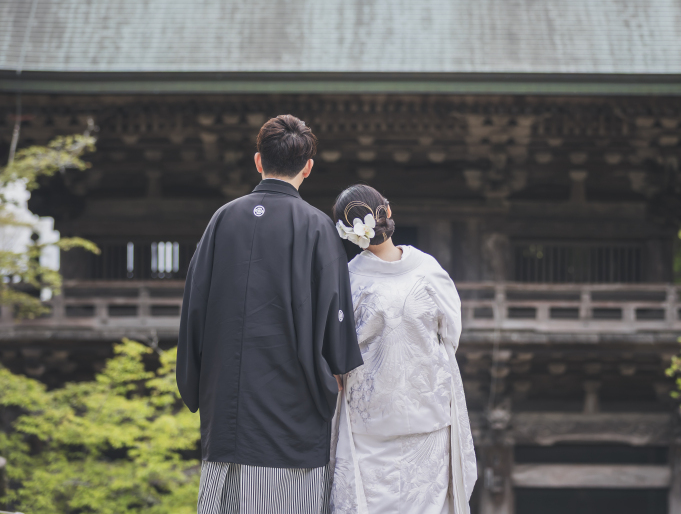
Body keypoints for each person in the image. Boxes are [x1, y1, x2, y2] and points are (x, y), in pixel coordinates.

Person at [177, 115, 363, 514]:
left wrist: (196, 384)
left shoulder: (222, 219)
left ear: (258, 161)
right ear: (308, 167)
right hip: (292, 412)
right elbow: (337, 320)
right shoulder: (317, 226)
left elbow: (194, 308)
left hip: (227, 407)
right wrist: (338, 371)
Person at [329, 185, 477, 514]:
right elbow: (451, 333)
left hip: (369, 417)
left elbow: (336, 350)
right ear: (388, 212)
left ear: (345, 233)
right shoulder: (428, 270)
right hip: (428, 412)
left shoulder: (347, 281)